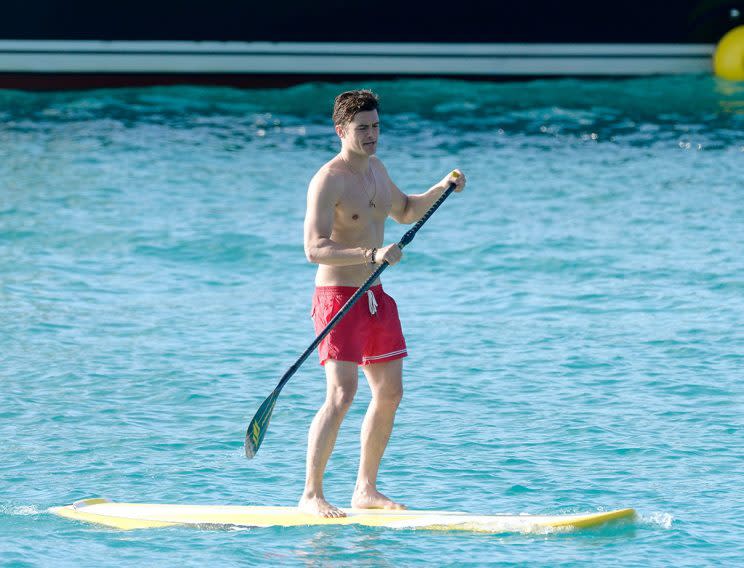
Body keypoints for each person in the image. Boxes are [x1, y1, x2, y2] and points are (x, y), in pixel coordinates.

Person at [300, 89, 466, 518]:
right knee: (341, 394)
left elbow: (407, 210)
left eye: (375, 126)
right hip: (337, 297)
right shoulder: (328, 180)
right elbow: (314, 248)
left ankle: (365, 490)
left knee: (390, 393)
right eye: (362, 129)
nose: (372, 135)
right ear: (342, 130)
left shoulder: (376, 169)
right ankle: (312, 494)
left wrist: (442, 188)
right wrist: (370, 255)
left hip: (374, 297)